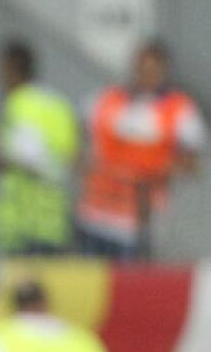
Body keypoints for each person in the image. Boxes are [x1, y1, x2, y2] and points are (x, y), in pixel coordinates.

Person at [76, 41, 205, 258]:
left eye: (153, 71)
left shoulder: (179, 108)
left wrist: (160, 172)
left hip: (140, 217)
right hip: (95, 212)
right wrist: (84, 164)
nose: (146, 76)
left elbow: (193, 162)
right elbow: (79, 137)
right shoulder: (108, 98)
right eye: (142, 69)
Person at [0, 41, 80, 255]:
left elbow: (27, 156)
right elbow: (71, 155)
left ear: (11, 69)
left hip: (22, 221)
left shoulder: (19, 104)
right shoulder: (58, 104)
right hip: (53, 219)